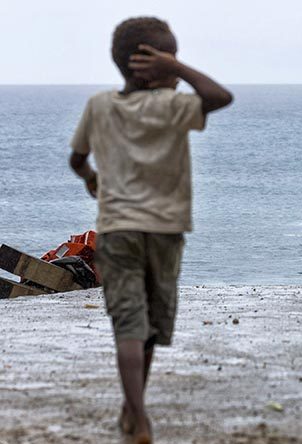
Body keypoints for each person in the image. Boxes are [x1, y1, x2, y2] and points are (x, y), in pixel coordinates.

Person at [69, 17, 233, 443]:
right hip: (164, 232)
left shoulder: (100, 106)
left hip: (116, 231)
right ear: (154, 66)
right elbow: (219, 96)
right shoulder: (173, 106)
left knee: (128, 322)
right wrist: (177, 68)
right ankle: (138, 416)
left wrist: (91, 178)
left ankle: (133, 411)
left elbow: (77, 159)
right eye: (170, 59)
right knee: (151, 326)